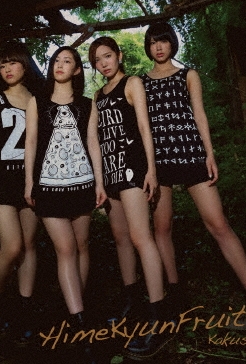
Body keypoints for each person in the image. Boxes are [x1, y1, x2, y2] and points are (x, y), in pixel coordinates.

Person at [142, 21, 246, 307]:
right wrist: (148, 168)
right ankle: (174, 291)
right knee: (162, 228)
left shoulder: (188, 75)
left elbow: (200, 115)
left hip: (191, 153)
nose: (158, 47)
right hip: (159, 160)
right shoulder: (140, 82)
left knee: (218, 223)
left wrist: (209, 154)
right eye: (153, 42)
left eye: (163, 40)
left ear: (172, 43)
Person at [89, 36, 174, 360]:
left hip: (133, 168)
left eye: (107, 56)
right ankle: (133, 303)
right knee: (121, 238)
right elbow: (97, 140)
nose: (103, 64)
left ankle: (160, 315)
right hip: (110, 173)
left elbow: (143, 125)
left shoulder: (132, 83)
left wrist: (151, 169)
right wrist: (99, 182)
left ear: (119, 55)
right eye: (97, 60)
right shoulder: (98, 95)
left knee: (141, 238)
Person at [24, 46, 107, 351]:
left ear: (76, 70)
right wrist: (29, 183)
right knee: (66, 248)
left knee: (82, 246)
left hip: (83, 184)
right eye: (56, 60)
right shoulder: (37, 101)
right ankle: (80, 322)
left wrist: (100, 183)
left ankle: (75, 306)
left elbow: (93, 143)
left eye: (67, 61)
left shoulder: (87, 104)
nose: (59, 65)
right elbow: (31, 142)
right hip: (48, 186)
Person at [0, 41, 39, 343]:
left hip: (29, 182)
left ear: (24, 65)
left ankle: (24, 308)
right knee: (12, 246)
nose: (7, 69)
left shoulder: (37, 101)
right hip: (1, 182)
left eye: (12, 62)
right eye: (2, 64)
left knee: (28, 245)